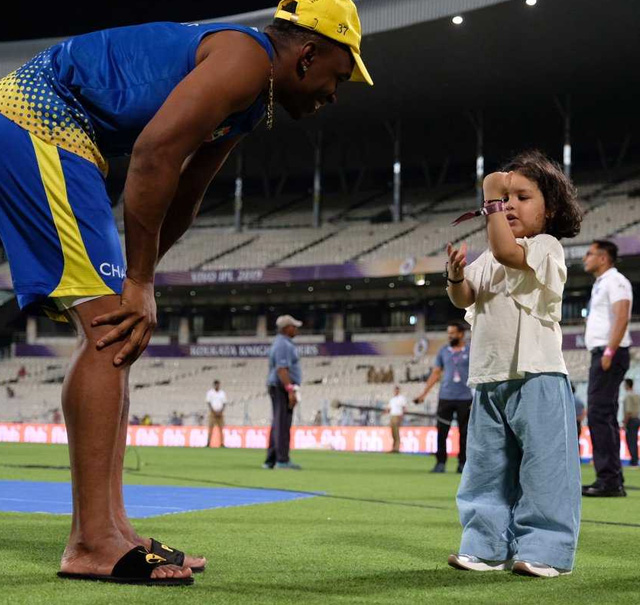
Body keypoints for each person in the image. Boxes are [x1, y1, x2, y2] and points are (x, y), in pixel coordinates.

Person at [0, 0, 371, 585]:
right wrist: (138, 282)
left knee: (119, 331)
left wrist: (141, 276)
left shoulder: (252, 97)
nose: (334, 93)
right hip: (38, 118)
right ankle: (91, 541)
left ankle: (113, 528)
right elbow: (154, 156)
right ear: (307, 55)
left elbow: (188, 188)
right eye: (339, 76)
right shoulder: (246, 60)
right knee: (109, 330)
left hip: (63, 131)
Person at [444, 150, 584, 578]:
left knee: (545, 469)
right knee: (485, 468)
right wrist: (455, 277)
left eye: (522, 197)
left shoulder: (545, 247)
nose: (508, 206)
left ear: (551, 208)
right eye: (505, 199)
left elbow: (507, 253)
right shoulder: (489, 256)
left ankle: (547, 549)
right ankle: (485, 546)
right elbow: (465, 298)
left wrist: (489, 197)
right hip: (489, 379)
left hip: (538, 376)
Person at [581, 240, 633, 497]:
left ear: (603, 258)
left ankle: (608, 480)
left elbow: (622, 314)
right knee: (604, 415)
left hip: (609, 352)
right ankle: (612, 478)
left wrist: (610, 351)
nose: (585, 258)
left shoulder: (615, 281)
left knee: (599, 415)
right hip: (604, 352)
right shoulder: (602, 283)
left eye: (589, 254)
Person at [414, 322, 472, 473]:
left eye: (452, 333)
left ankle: (462, 464)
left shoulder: (470, 350)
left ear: (461, 334)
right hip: (446, 397)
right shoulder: (443, 351)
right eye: (448, 333)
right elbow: (436, 373)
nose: (449, 336)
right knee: (442, 432)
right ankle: (440, 463)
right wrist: (424, 394)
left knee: (465, 433)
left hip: (465, 398)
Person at [264, 315, 303, 470]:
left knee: (278, 423)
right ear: (287, 328)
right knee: (282, 424)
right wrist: (290, 390)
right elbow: (282, 369)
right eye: (294, 326)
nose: (296, 329)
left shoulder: (281, 343)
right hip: (281, 387)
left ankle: (271, 459)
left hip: (279, 386)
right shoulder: (284, 345)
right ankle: (282, 459)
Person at [622, 379, 640, 468]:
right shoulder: (637, 395)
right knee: (634, 440)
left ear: (627, 385)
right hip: (637, 418)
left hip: (631, 420)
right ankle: (635, 460)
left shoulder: (628, 396)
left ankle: (634, 461)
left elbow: (628, 411)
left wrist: (624, 422)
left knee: (630, 441)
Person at [205, 380, 227, 448]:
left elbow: (224, 403)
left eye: (218, 385)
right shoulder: (210, 393)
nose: (217, 386)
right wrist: (213, 411)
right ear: (214, 385)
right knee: (210, 427)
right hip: (213, 412)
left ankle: (222, 443)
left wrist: (221, 411)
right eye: (216, 385)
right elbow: (209, 402)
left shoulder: (222, 393)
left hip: (220, 412)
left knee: (221, 428)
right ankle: (208, 443)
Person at [386, 386, 407, 453]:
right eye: (395, 390)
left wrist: (401, 417)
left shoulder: (401, 398)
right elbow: (389, 408)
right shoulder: (392, 399)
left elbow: (404, 408)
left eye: (396, 390)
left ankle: (396, 448)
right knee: (393, 433)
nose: (395, 391)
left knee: (396, 433)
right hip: (392, 416)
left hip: (397, 416)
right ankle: (394, 448)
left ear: (398, 391)